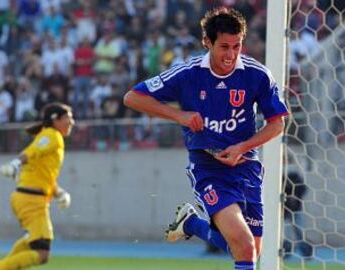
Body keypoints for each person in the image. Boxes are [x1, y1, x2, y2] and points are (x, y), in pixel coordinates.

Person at [123, 7, 288, 270]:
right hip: (207, 167)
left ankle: (191, 223)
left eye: (237, 46)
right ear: (207, 42)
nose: (231, 54)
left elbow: (276, 124)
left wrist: (243, 147)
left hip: (245, 165)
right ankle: (195, 223)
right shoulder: (188, 74)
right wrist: (180, 116)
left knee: (252, 251)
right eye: (224, 46)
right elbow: (132, 98)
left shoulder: (257, 75)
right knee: (244, 246)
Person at [0, 102, 75, 270]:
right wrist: (15, 163)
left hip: (28, 197)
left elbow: (44, 175)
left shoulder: (50, 135)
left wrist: (59, 192)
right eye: (68, 118)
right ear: (55, 120)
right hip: (31, 200)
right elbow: (31, 151)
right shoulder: (52, 135)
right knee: (42, 254)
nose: (72, 122)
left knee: (31, 240)